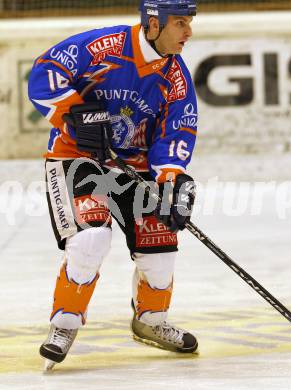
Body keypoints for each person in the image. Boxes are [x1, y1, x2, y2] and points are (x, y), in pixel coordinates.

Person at [28, 0, 198, 370]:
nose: (188, 33)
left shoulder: (176, 77)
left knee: (160, 243)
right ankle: (64, 323)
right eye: (180, 23)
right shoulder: (103, 47)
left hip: (135, 169)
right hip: (78, 159)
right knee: (91, 238)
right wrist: (73, 112)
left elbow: (177, 129)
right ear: (153, 24)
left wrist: (172, 178)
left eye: (189, 23)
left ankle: (150, 319)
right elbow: (45, 73)